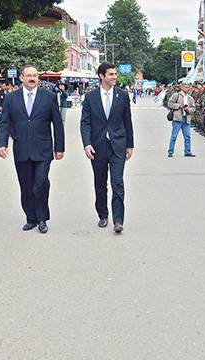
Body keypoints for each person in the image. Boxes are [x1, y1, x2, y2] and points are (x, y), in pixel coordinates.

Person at [0, 65, 65, 234]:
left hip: (43, 149)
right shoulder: (11, 98)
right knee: (26, 186)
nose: (32, 78)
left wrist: (59, 147)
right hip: (22, 149)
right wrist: (2, 144)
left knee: (40, 183)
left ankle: (42, 218)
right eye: (28, 75)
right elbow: (4, 122)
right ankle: (31, 218)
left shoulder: (48, 97)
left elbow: (57, 124)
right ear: (21, 78)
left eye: (35, 75)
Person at [80, 62, 134, 233]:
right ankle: (103, 215)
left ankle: (118, 220)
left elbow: (127, 121)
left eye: (115, 74)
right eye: (111, 74)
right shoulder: (90, 97)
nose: (114, 77)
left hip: (118, 145)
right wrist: (87, 144)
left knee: (117, 182)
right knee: (100, 183)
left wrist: (130, 145)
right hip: (97, 146)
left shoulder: (122, 95)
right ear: (101, 76)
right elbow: (85, 123)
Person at [166, 82, 196, 158]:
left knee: (187, 136)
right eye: (185, 87)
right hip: (177, 119)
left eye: (188, 87)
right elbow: (169, 103)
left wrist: (188, 110)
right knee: (174, 136)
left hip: (186, 118)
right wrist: (178, 106)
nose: (187, 88)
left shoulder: (190, 98)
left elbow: (194, 108)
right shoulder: (176, 95)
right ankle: (170, 151)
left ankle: (187, 151)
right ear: (182, 87)